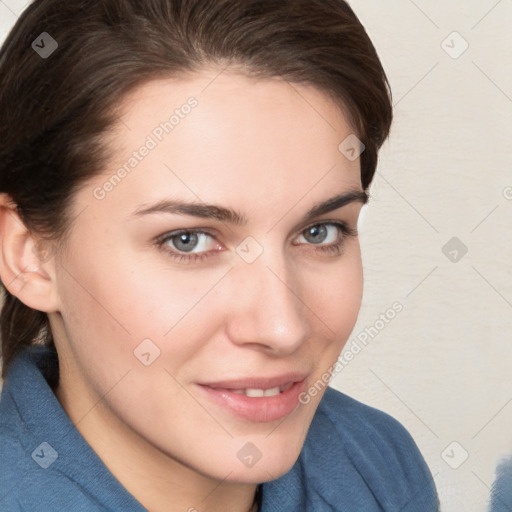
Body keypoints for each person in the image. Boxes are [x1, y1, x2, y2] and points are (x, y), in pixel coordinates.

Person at [0, 1, 440, 510]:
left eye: (319, 232)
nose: (283, 328)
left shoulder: (374, 464)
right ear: (28, 254)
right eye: (188, 240)